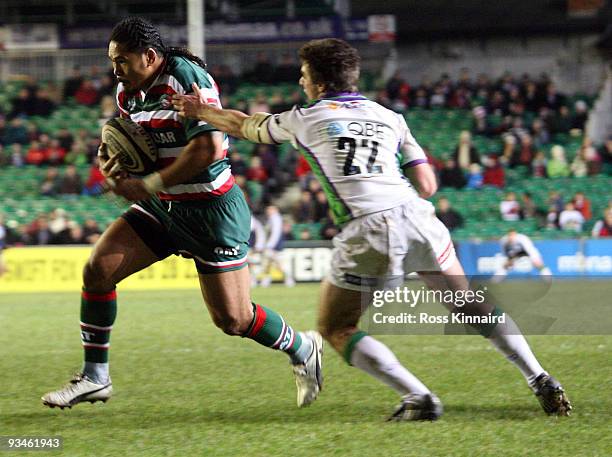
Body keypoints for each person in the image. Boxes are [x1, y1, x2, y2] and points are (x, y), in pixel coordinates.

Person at [173, 38, 571, 419]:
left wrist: (199, 111)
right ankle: (539, 376)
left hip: (367, 228)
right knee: (468, 304)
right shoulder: (390, 117)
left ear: (321, 82)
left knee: (335, 327)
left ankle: (419, 396)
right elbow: (428, 185)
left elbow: (245, 126)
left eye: (304, 74)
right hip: (417, 216)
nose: (300, 81)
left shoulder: (306, 118)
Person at [41, 17, 322, 410]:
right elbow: (129, 141)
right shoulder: (128, 92)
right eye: (113, 61)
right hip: (165, 206)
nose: (115, 69)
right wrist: (110, 163)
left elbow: (207, 150)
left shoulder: (186, 79)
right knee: (98, 269)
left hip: (210, 210)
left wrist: (148, 184)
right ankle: (95, 377)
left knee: (234, 321)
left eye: (122, 60)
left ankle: (303, 345)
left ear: (150, 56)